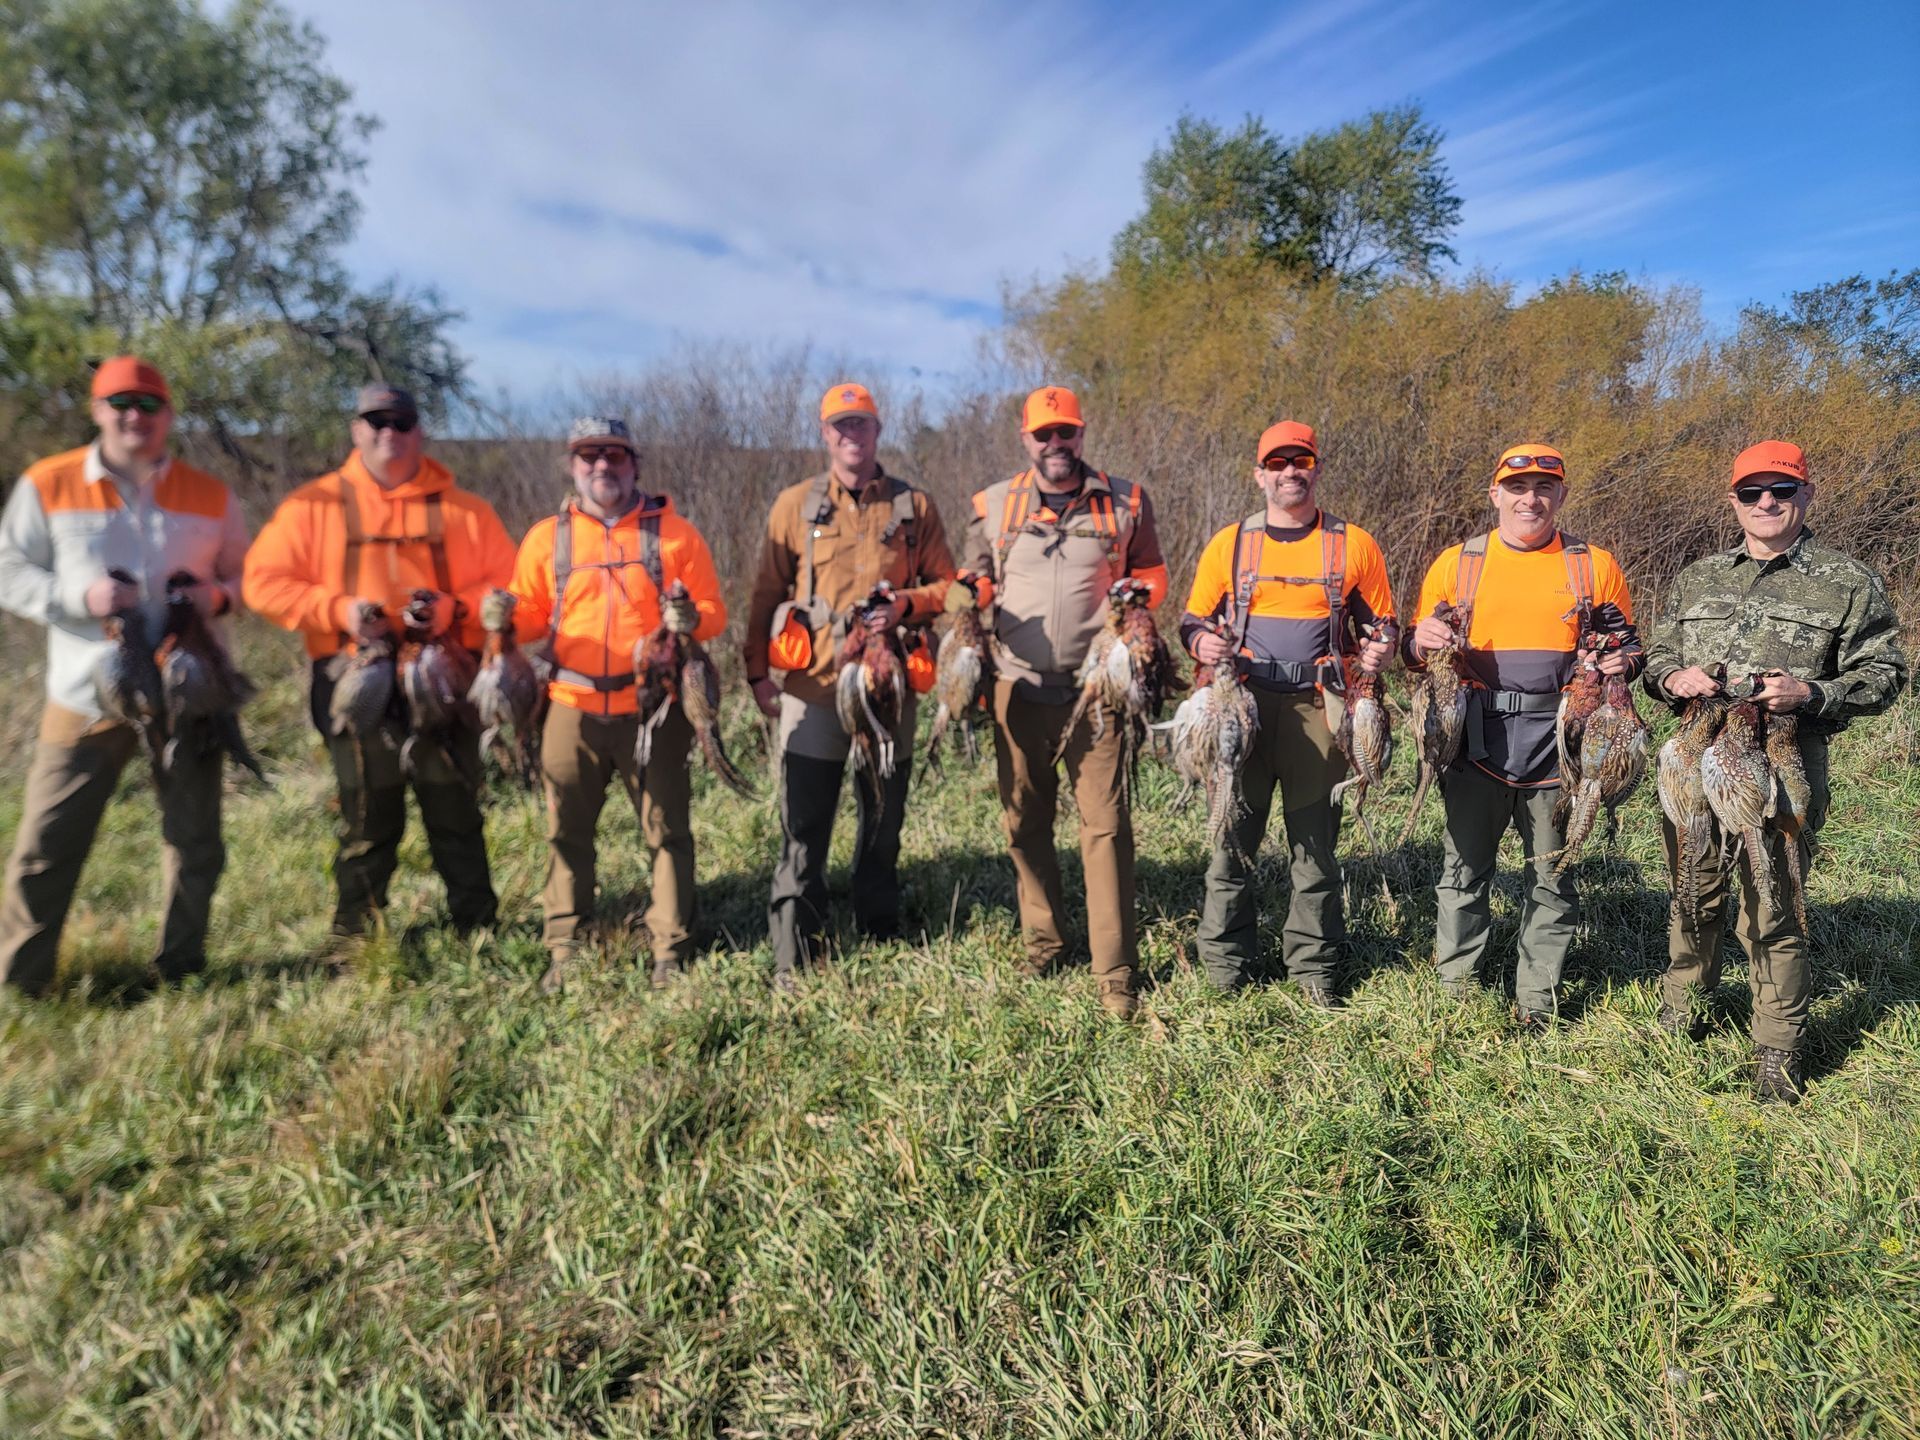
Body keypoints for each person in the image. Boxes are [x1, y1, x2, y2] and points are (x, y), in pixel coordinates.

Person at [1641, 440, 1907, 1103]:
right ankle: (1685, 1009)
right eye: (1753, 492)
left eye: (1782, 491)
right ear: (1733, 500)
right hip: (1699, 759)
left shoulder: (1847, 580)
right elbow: (1657, 656)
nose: (1767, 503)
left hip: (1786, 759)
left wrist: (1811, 695)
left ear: (1806, 496)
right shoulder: (1698, 576)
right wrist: (1673, 676)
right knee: (1692, 888)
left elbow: (1886, 673)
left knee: (1773, 900)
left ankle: (1777, 1049)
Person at [0, 357, 251, 995]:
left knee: (196, 840)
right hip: (85, 693)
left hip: (187, 693)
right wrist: (79, 599)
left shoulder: (209, 494)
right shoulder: (48, 483)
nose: (133, 415)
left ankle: (181, 969)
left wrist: (213, 600)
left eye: (148, 403)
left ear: (168, 414)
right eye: (119, 403)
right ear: (96, 410)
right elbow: (10, 571)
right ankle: (20, 983)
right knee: (46, 843)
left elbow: (246, 578)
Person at [244, 383, 517, 938]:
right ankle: (356, 939)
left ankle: (478, 928)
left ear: (419, 432)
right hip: (355, 679)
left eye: (400, 421)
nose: (387, 431)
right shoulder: (311, 506)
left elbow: (510, 589)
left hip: (442, 682)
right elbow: (262, 582)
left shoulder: (467, 512)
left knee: (456, 812)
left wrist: (455, 609)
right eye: (375, 420)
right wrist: (338, 611)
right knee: (368, 816)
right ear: (356, 430)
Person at [1405, 443, 1639, 1030]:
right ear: (1495, 494)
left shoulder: (1594, 567)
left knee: (1554, 877)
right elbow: (1416, 653)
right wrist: (1418, 642)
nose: (1529, 498)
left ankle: (1538, 1000)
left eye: (1543, 487)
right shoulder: (1457, 564)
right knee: (1463, 874)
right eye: (1516, 488)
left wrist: (1620, 664)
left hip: (1563, 748)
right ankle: (1455, 992)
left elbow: (1630, 650)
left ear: (1561, 495)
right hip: (1475, 744)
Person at [957, 385, 1170, 1018]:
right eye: (1044, 435)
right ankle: (1044, 943)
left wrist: (1140, 601)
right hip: (1015, 686)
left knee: (1105, 827)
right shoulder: (992, 505)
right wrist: (966, 596)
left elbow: (1153, 571)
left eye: (1066, 432)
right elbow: (970, 579)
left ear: (1082, 434)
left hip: (1097, 690)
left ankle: (1116, 977)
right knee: (1024, 820)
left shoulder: (1125, 499)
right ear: (1025, 439)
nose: (1057, 445)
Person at [743, 383, 955, 987]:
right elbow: (764, 593)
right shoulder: (795, 506)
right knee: (804, 825)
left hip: (888, 693)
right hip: (813, 690)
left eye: (860, 423)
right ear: (824, 432)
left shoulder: (914, 507)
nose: (849, 434)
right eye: (839, 425)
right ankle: (795, 953)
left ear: (877, 429)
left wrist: (906, 606)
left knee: (883, 819)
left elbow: (951, 588)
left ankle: (879, 930)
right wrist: (757, 672)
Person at [507, 418, 727, 993]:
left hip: (654, 710)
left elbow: (714, 611)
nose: (601, 466)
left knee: (667, 830)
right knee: (566, 831)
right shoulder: (545, 539)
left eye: (614, 455)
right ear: (571, 465)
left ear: (635, 463)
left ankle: (670, 950)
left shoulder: (674, 536)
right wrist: (502, 615)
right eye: (588, 456)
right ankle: (564, 945)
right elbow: (530, 617)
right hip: (569, 704)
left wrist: (690, 619)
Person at [1181, 421, 1396, 1006]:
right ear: (1259, 475)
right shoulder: (1230, 544)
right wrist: (1203, 644)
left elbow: (1384, 625)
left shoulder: (1354, 544)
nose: (1289, 472)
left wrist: (1380, 647)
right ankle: (1226, 967)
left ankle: (1313, 973)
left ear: (1317, 468)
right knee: (1231, 844)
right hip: (1241, 710)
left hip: (1318, 712)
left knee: (1315, 851)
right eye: (1277, 463)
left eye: (1300, 461)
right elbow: (1193, 621)